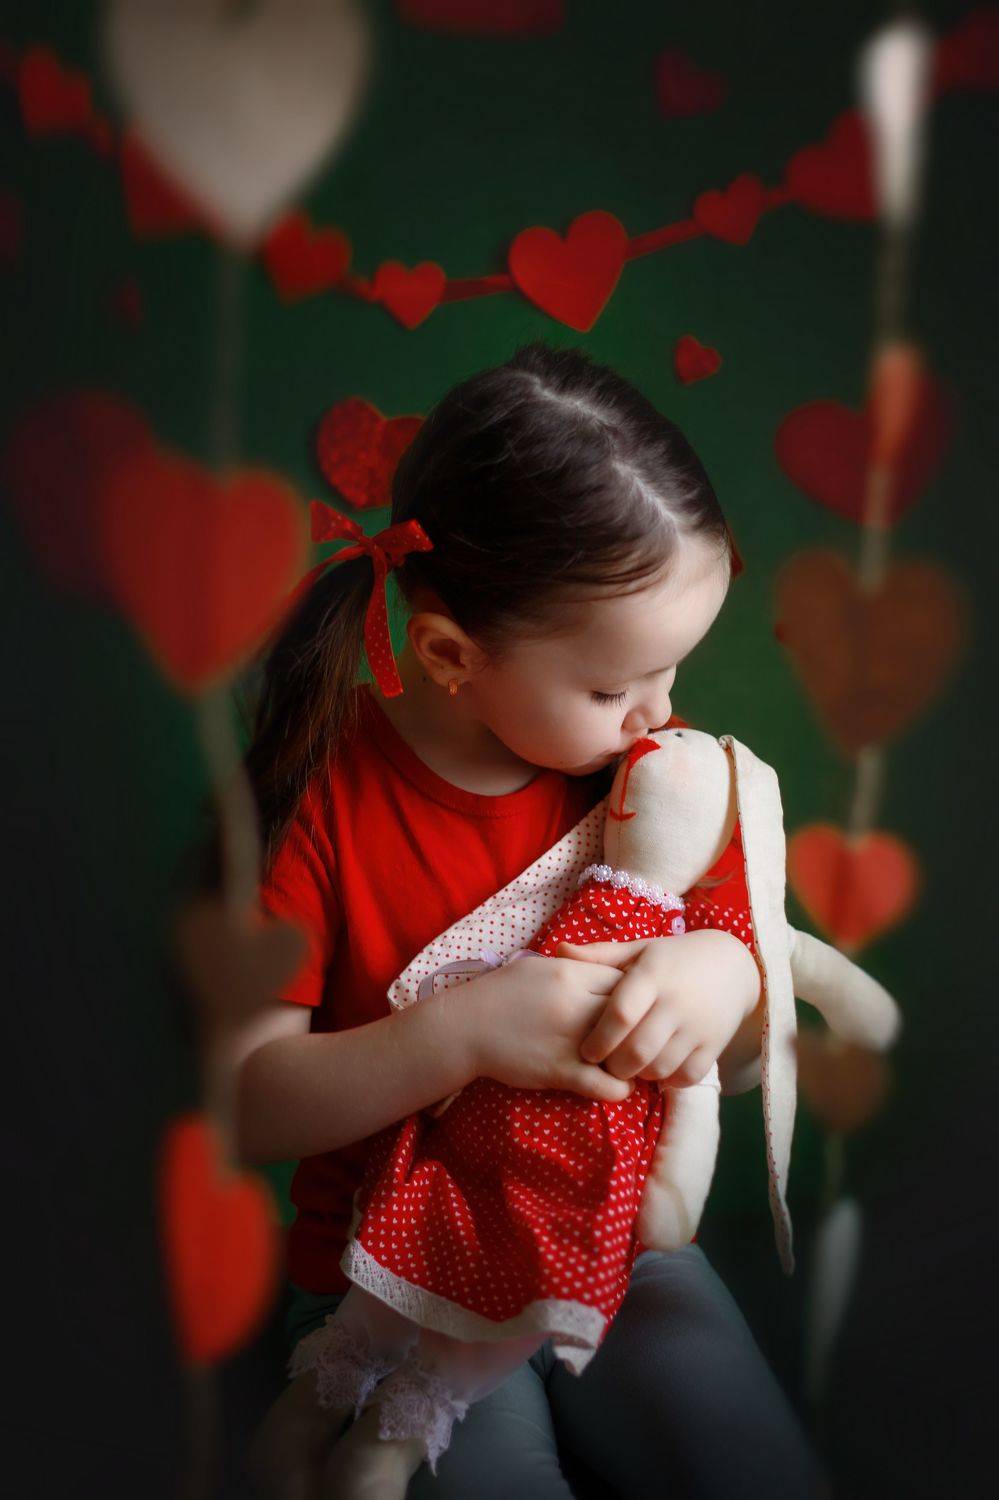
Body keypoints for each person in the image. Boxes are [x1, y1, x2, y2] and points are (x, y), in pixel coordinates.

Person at [231, 340, 823, 1498]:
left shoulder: (649, 781)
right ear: (451, 654)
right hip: (386, 1284)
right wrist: (464, 1033)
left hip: (614, 1249)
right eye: (613, 689)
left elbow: (753, 1011)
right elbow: (248, 1102)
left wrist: (723, 971)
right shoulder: (316, 798)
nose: (659, 716)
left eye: (671, 674)